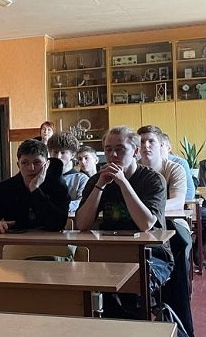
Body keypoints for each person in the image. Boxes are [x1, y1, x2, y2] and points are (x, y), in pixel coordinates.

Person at [75, 126, 172, 319]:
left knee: (131, 291)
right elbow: (82, 224)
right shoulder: (97, 180)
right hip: (111, 253)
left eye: (120, 149)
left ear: (135, 151)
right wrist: (100, 185)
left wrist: (123, 182)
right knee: (84, 285)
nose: (113, 155)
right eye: (108, 150)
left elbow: (146, 224)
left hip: (151, 255)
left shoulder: (153, 180)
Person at [138, 125, 194, 337]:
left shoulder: (174, 168)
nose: (146, 146)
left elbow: (178, 202)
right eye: (142, 142)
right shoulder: (134, 170)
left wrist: (147, 209)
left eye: (151, 141)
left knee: (177, 245)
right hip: (144, 226)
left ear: (161, 145)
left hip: (175, 224)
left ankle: (178, 318)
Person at [0, 139, 69, 233]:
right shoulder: (3, 189)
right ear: (18, 165)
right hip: (14, 240)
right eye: (25, 163)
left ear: (47, 164)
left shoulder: (58, 186)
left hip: (50, 240)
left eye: (37, 162)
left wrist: (35, 189)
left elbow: (58, 224)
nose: (31, 168)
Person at [47, 132, 88, 213]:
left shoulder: (81, 179)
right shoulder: (43, 177)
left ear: (73, 155)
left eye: (63, 152)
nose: (58, 156)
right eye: (55, 152)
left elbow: (82, 202)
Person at [162, 133, 196, 201]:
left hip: (175, 205)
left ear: (169, 148)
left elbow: (190, 193)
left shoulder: (180, 163)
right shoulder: (142, 163)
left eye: (161, 145)